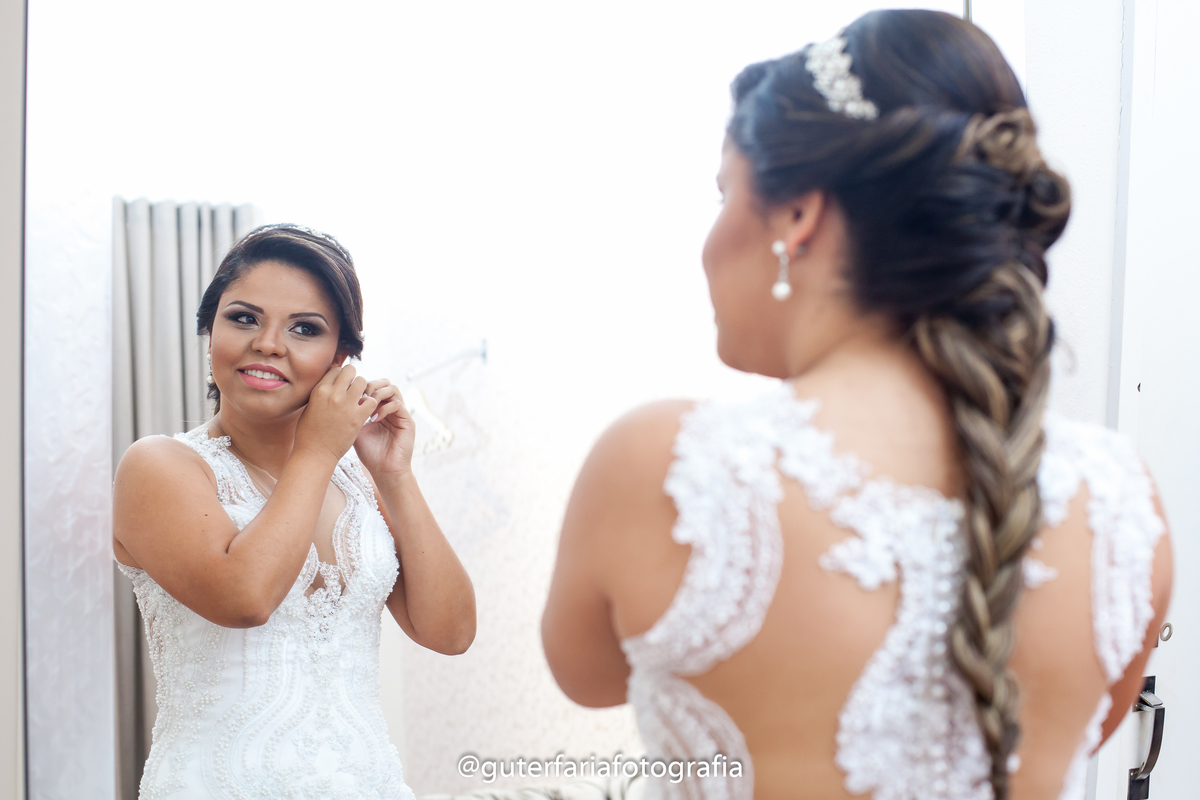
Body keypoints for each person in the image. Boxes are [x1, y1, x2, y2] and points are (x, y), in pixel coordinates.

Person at [541, 10, 1172, 800]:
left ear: (798, 213)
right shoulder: (1120, 504)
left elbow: (590, 674)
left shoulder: (666, 465)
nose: (709, 240)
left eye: (723, 192)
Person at [113, 224, 476, 799]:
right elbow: (245, 598)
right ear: (209, 332)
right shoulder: (159, 466)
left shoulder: (360, 479)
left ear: (342, 357)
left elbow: (450, 632)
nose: (268, 344)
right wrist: (316, 448)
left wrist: (394, 474)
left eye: (304, 329)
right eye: (243, 318)